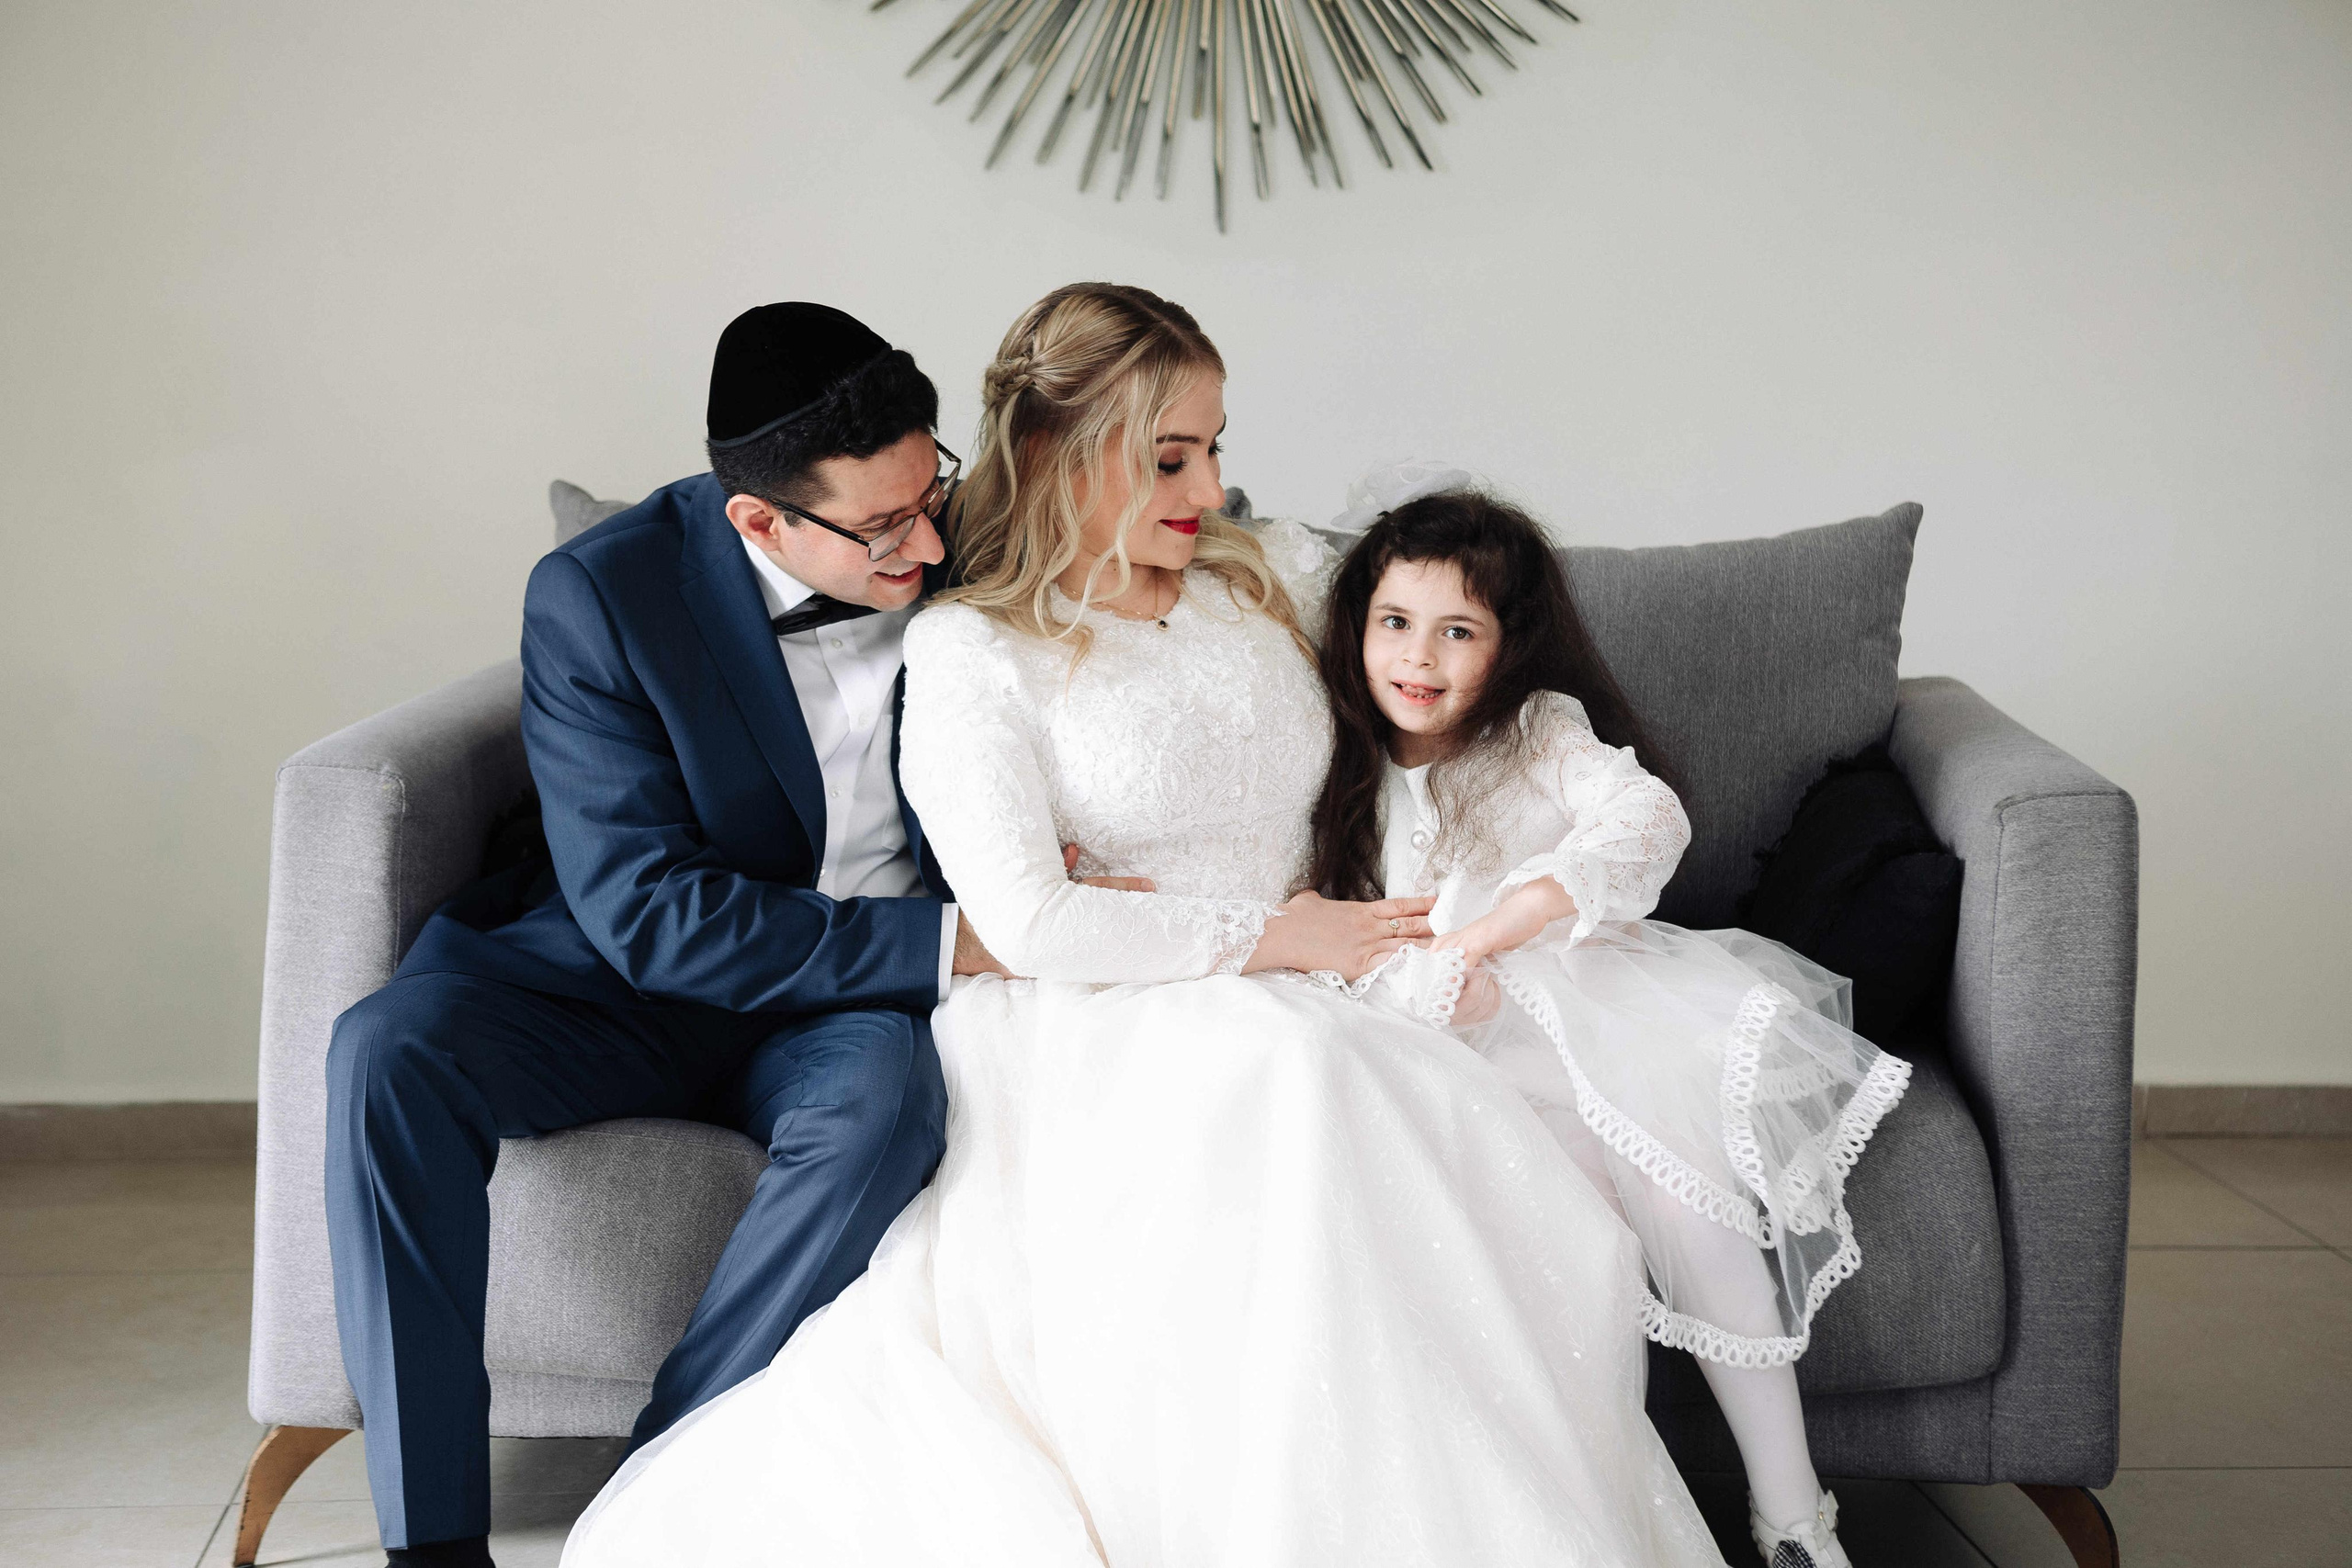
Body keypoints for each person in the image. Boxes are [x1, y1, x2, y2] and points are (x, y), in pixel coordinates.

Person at [561, 283, 1725, 1566]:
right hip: (1099, 1016)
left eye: (1216, 445)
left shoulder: (1270, 574)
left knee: (1369, 1094)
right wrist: (1281, 935)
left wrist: (1507, 854)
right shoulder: (969, 647)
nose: (1212, 485)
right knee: (1288, 1080)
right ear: (1064, 454)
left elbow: (1454, 653)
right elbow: (1031, 918)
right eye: (1172, 457)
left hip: (1324, 978)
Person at [324, 303, 1019, 1567]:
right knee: (386, 1049)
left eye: (933, 493)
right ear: (758, 518)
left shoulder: (973, 544)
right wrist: (951, 939)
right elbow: (647, 910)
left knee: (883, 1109)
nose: (928, 539)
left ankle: (656, 1484)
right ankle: (430, 1543)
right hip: (617, 984)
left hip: (836, 1009)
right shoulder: (605, 592)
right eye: (881, 527)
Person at [1306, 475, 1917, 1568]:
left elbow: (1647, 815)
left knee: (1684, 1188)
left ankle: (1791, 1517)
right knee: (1547, 1217)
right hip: (1428, 1044)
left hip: (1579, 1011)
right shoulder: (1333, 751)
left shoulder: (1538, 730)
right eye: (1394, 623)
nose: (1419, 657)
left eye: (1458, 632)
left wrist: (1502, 924)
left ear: (1509, 647)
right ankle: (1578, 1515)